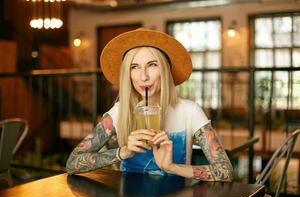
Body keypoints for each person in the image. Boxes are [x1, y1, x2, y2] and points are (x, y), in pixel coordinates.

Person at [66, 28, 233, 181]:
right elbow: (72, 163)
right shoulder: (120, 112)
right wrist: (123, 151)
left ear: (166, 68)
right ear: (128, 74)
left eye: (152, 65)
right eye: (135, 67)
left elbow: (225, 171)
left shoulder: (189, 111)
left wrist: (172, 167)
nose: (143, 77)